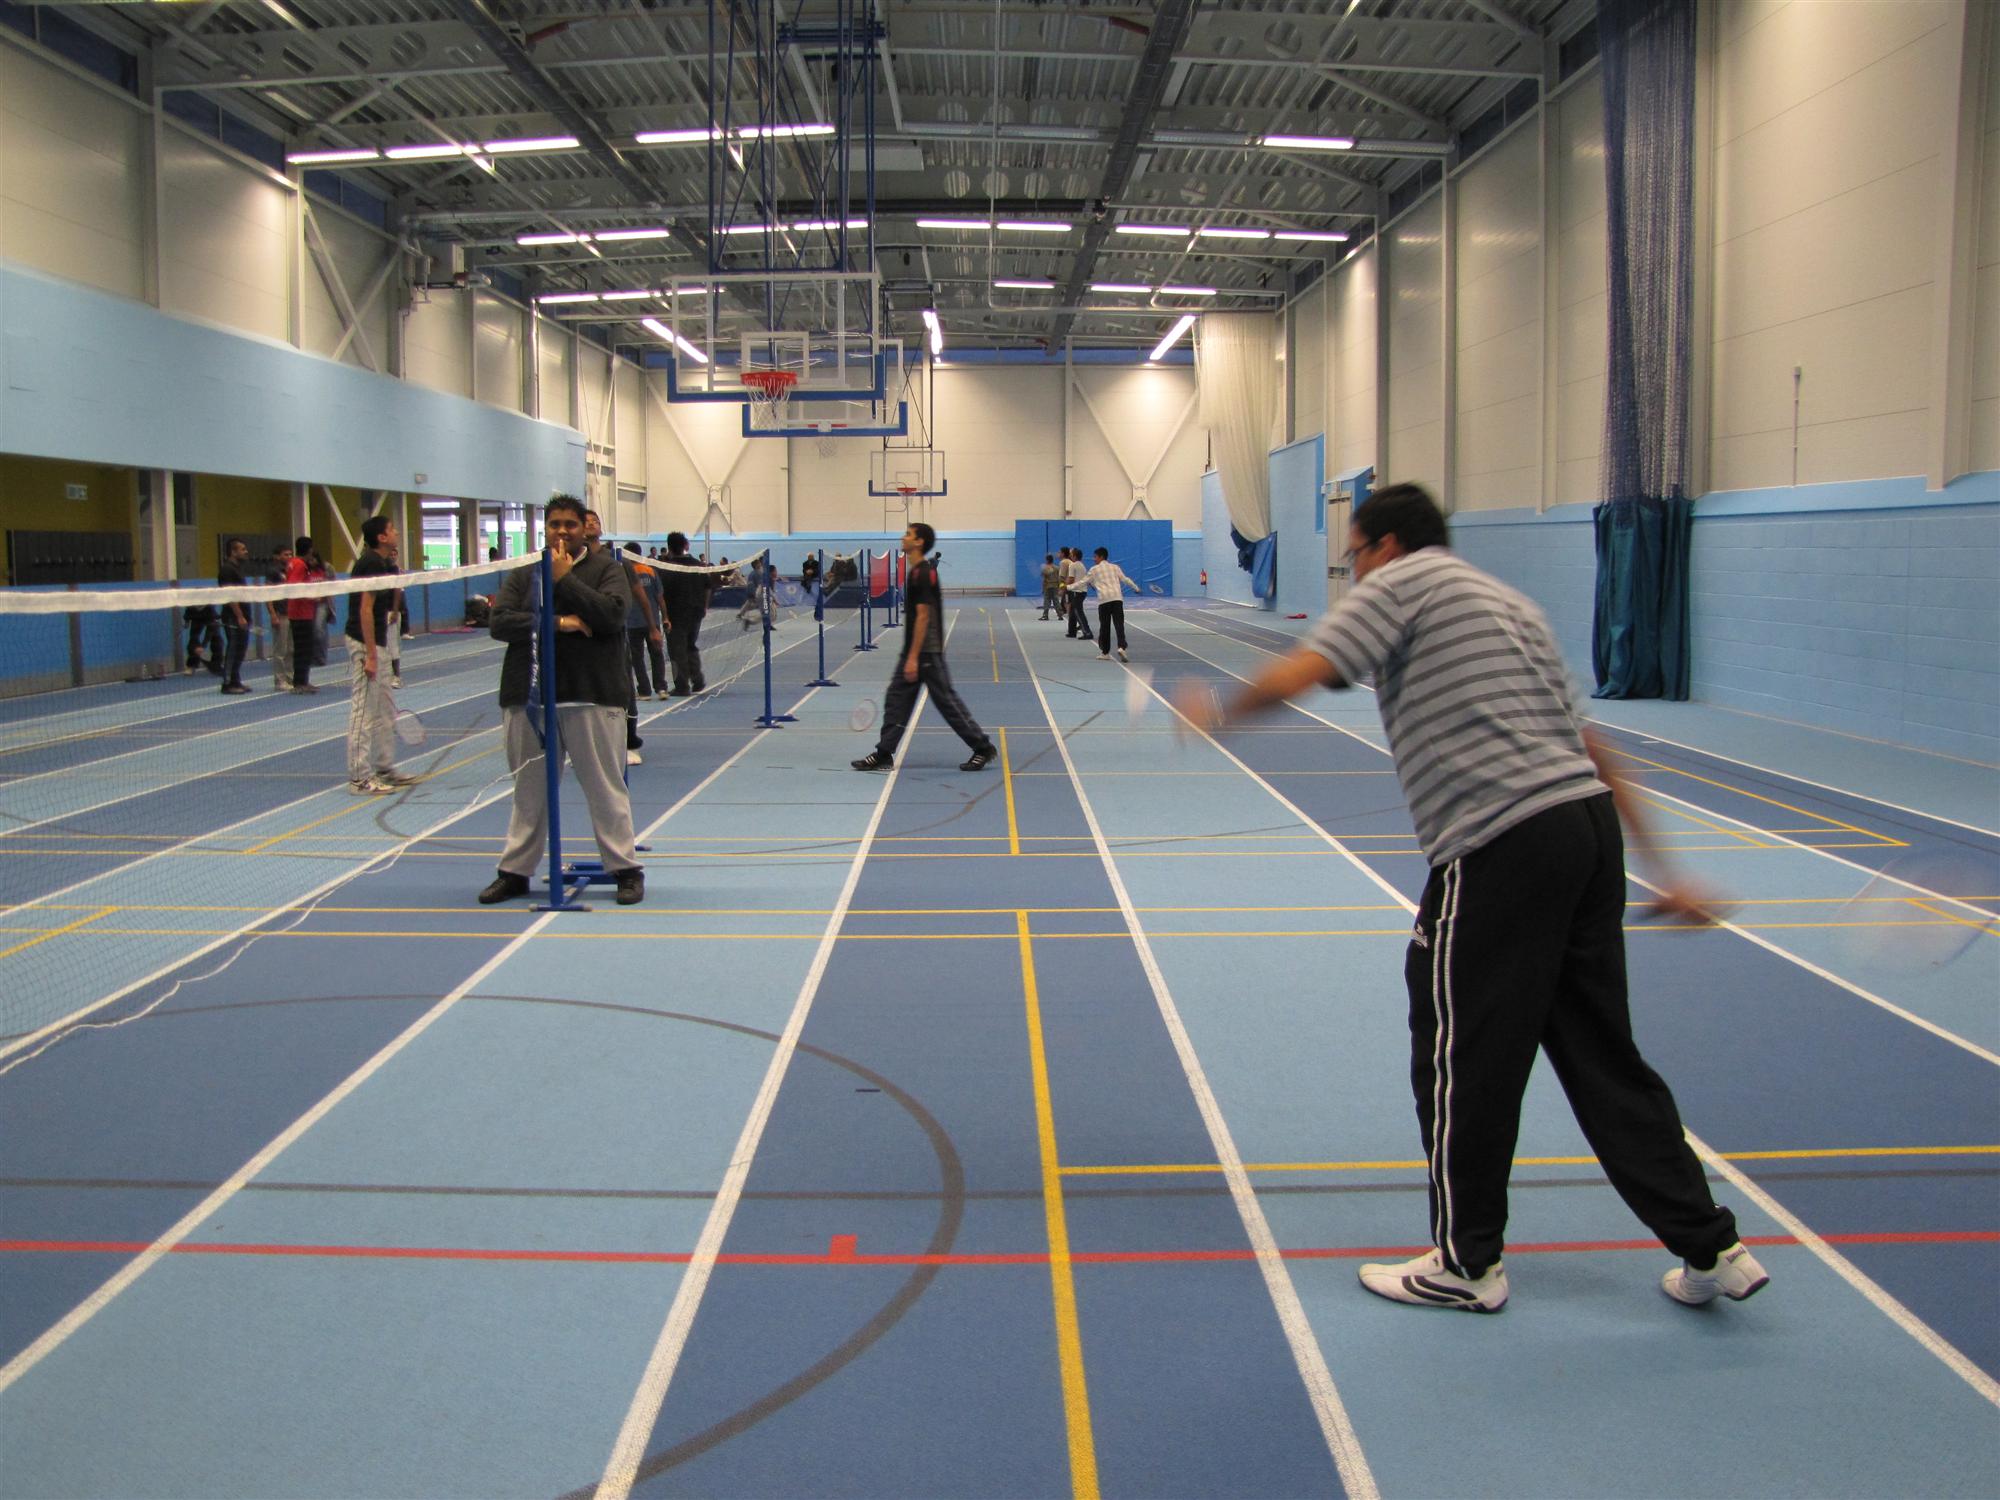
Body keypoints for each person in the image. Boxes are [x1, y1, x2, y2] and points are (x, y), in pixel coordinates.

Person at [1175, 483, 1764, 1316]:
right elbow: (1591, 744)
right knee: (1603, 1056)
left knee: (1458, 1050)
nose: (1351, 565)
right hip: (1585, 832)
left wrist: (1222, 708)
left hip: (1501, 843)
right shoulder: (1511, 606)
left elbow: (1314, 665)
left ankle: (1465, 1262)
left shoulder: (1399, 585)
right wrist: (1664, 869)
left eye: (1353, 549)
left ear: (1382, 546)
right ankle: (1712, 1246)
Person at [479, 494, 644, 907]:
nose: (562, 532)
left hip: (591, 695)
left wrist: (563, 581)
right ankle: (515, 873)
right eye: (555, 525)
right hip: (529, 698)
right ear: (545, 528)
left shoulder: (608, 568)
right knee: (529, 791)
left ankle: (624, 869)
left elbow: (610, 616)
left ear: (584, 528)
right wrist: (561, 622)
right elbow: (499, 622)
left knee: (606, 788)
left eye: (570, 524)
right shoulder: (524, 573)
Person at [852, 523, 996, 774]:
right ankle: (884, 753)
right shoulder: (915, 571)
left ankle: (982, 748)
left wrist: (913, 657)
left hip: (926, 651)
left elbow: (923, 615)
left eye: (908, 534)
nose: (903, 537)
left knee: (946, 702)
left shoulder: (923, 573)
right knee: (896, 699)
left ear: (918, 542)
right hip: (915, 651)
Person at [344, 515, 414, 795]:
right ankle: (359, 778)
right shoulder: (370, 563)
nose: (396, 531)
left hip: (379, 641)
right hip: (365, 643)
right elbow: (364, 610)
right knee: (363, 711)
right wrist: (371, 654)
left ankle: (384, 767)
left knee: (385, 709)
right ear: (382, 537)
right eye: (392, 529)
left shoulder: (385, 564)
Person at [620, 540, 664, 761]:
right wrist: (661, 619)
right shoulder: (651, 570)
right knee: (655, 656)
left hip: (633, 624)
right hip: (643, 622)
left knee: (636, 661)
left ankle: (645, 690)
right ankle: (661, 687)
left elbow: (648, 597)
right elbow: (658, 598)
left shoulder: (623, 567)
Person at [657, 531, 709, 696]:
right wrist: (704, 607)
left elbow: (660, 594)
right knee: (690, 645)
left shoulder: (666, 568)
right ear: (686, 545)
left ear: (669, 547)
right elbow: (708, 587)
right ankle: (698, 680)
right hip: (696, 612)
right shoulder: (698, 565)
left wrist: (664, 616)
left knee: (676, 650)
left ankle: (681, 685)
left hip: (675, 614)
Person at [215, 538, 253, 694]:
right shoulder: (227, 570)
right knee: (233, 649)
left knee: (241, 649)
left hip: (243, 614)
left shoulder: (238, 568)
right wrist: (239, 616)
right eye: (242, 549)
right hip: (233, 616)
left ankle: (236, 680)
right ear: (233, 551)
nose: (246, 551)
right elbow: (230, 596)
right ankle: (228, 683)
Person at [284, 536, 320, 693]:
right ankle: (299, 683)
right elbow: (294, 587)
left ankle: (302, 680)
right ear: (310, 549)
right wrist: (311, 596)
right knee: (303, 648)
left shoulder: (293, 562)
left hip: (300, 612)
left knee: (302, 648)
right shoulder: (299, 565)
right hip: (301, 613)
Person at [1085, 546, 1134, 662]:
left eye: (1095, 557)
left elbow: (1085, 581)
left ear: (1101, 557)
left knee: (1105, 627)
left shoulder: (1094, 569)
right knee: (1119, 625)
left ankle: (1105, 652)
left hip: (1104, 601)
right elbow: (1125, 579)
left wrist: (1068, 587)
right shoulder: (1115, 567)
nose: (1094, 559)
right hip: (1117, 599)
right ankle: (1122, 647)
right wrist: (1135, 588)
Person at [266, 544, 294, 691]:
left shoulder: (290, 570)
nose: (289, 557)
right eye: (285, 554)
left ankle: (290, 677)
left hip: (291, 613)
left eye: (290, 554)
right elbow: (268, 595)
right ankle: (279, 680)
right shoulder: (273, 572)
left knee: (290, 649)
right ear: (277, 556)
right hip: (280, 614)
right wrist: (272, 614)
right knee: (280, 650)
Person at [1063, 546, 1091, 639]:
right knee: (1072, 611)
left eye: (1071, 554)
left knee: (1078, 611)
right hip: (1082, 591)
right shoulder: (1082, 565)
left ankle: (1087, 632)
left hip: (1077, 591)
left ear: (1074, 556)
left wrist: (1064, 587)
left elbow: (1071, 579)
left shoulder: (1073, 565)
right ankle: (1072, 631)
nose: (1070, 555)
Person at [1039, 552, 1060, 619]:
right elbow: (1059, 578)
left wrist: (1043, 588)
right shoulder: (1057, 568)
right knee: (1056, 600)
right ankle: (1060, 615)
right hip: (1055, 586)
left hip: (1047, 586)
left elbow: (1044, 578)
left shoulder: (1045, 568)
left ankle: (1045, 615)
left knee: (1047, 600)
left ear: (1047, 560)